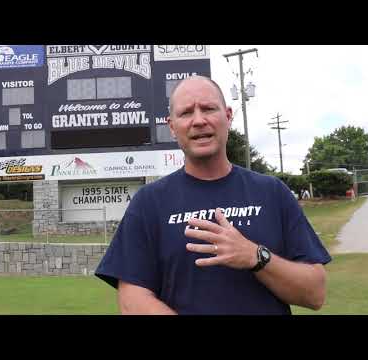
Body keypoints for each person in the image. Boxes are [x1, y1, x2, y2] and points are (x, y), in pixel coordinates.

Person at [95, 76, 331, 315]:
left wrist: (255, 256)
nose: (199, 120)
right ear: (172, 126)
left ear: (228, 116)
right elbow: (132, 300)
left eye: (208, 108)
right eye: (186, 113)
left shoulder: (272, 192)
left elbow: (315, 293)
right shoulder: (149, 203)